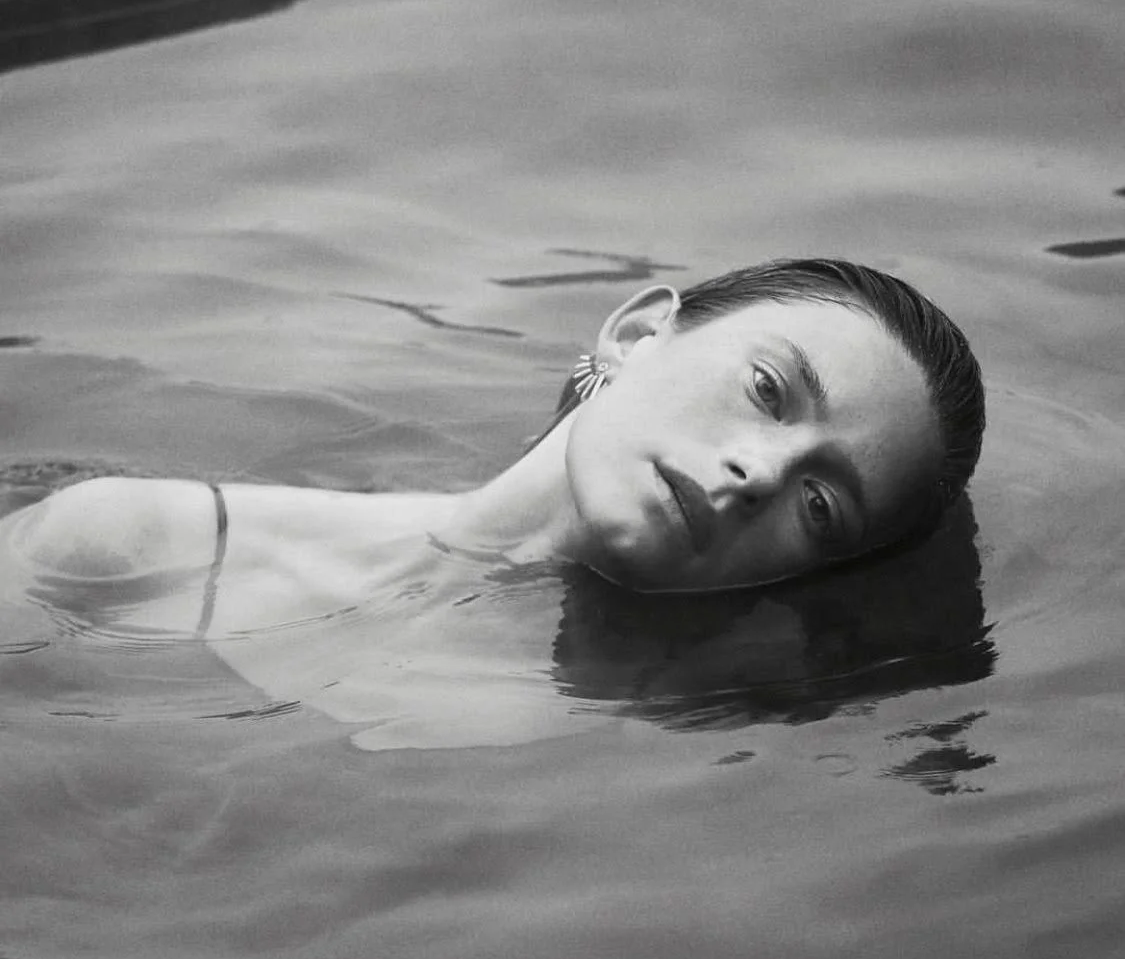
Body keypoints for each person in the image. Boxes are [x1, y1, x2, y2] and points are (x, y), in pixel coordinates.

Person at [4, 258, 984, 648]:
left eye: (821, 507)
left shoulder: (668, 796)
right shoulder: (131, 544)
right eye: (769, 390)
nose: (759, 473)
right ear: (638, 334)